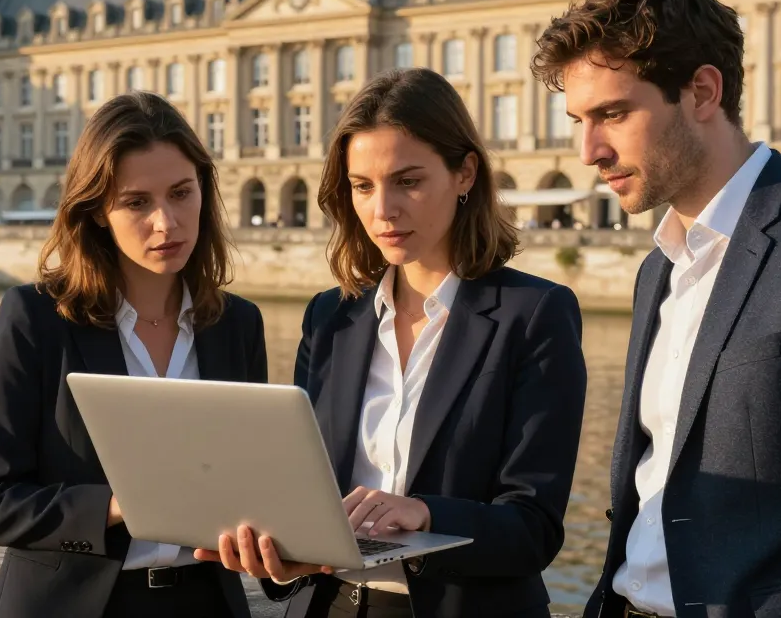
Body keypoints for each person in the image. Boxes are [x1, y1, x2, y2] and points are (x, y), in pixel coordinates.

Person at [195, 67, 588, 618]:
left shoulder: (535, 315)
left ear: (465, 173)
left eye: (408, 181)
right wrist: (277, 551)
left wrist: (425, 513)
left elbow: (533, 528)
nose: (383, 210)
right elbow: (308, 493)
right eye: (362, 186)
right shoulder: (330, 317)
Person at [530, 0, 781, 618]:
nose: (588, 150)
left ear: (702, 92)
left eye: (613, 114)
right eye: (577, 120)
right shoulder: (658, 266)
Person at [0, 92, 265, 618]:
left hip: (206, 603)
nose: (167, 223)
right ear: (97, 211)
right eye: (137, 202)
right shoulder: (35, 319)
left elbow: (253, 486)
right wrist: (121, 505)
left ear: (204, 193)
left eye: (181, 193)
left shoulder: (237, 325)